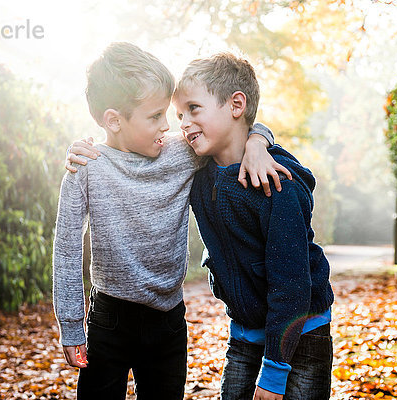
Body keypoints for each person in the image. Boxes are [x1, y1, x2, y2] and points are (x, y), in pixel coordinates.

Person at [53, 42, 289, 400]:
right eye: (154, 116)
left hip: (168, 320)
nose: (168, 126)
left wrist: (258, 142)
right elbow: (67, 250)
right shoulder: (86, 168)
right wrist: (71, 329)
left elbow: (238, 126)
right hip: (109, 318)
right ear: (113, 120)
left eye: (167, 114)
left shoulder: (183, 152)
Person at [172, 52, 334, 400]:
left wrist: (274, 373)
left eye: (194, 109)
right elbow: (141, 147)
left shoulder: (277, 184)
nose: (183, 123)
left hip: (302, 333)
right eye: (179, 115)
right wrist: (93, 151)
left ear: (236, 104)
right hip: (246, 333)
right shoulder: (198, 172)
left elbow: (292, 285)